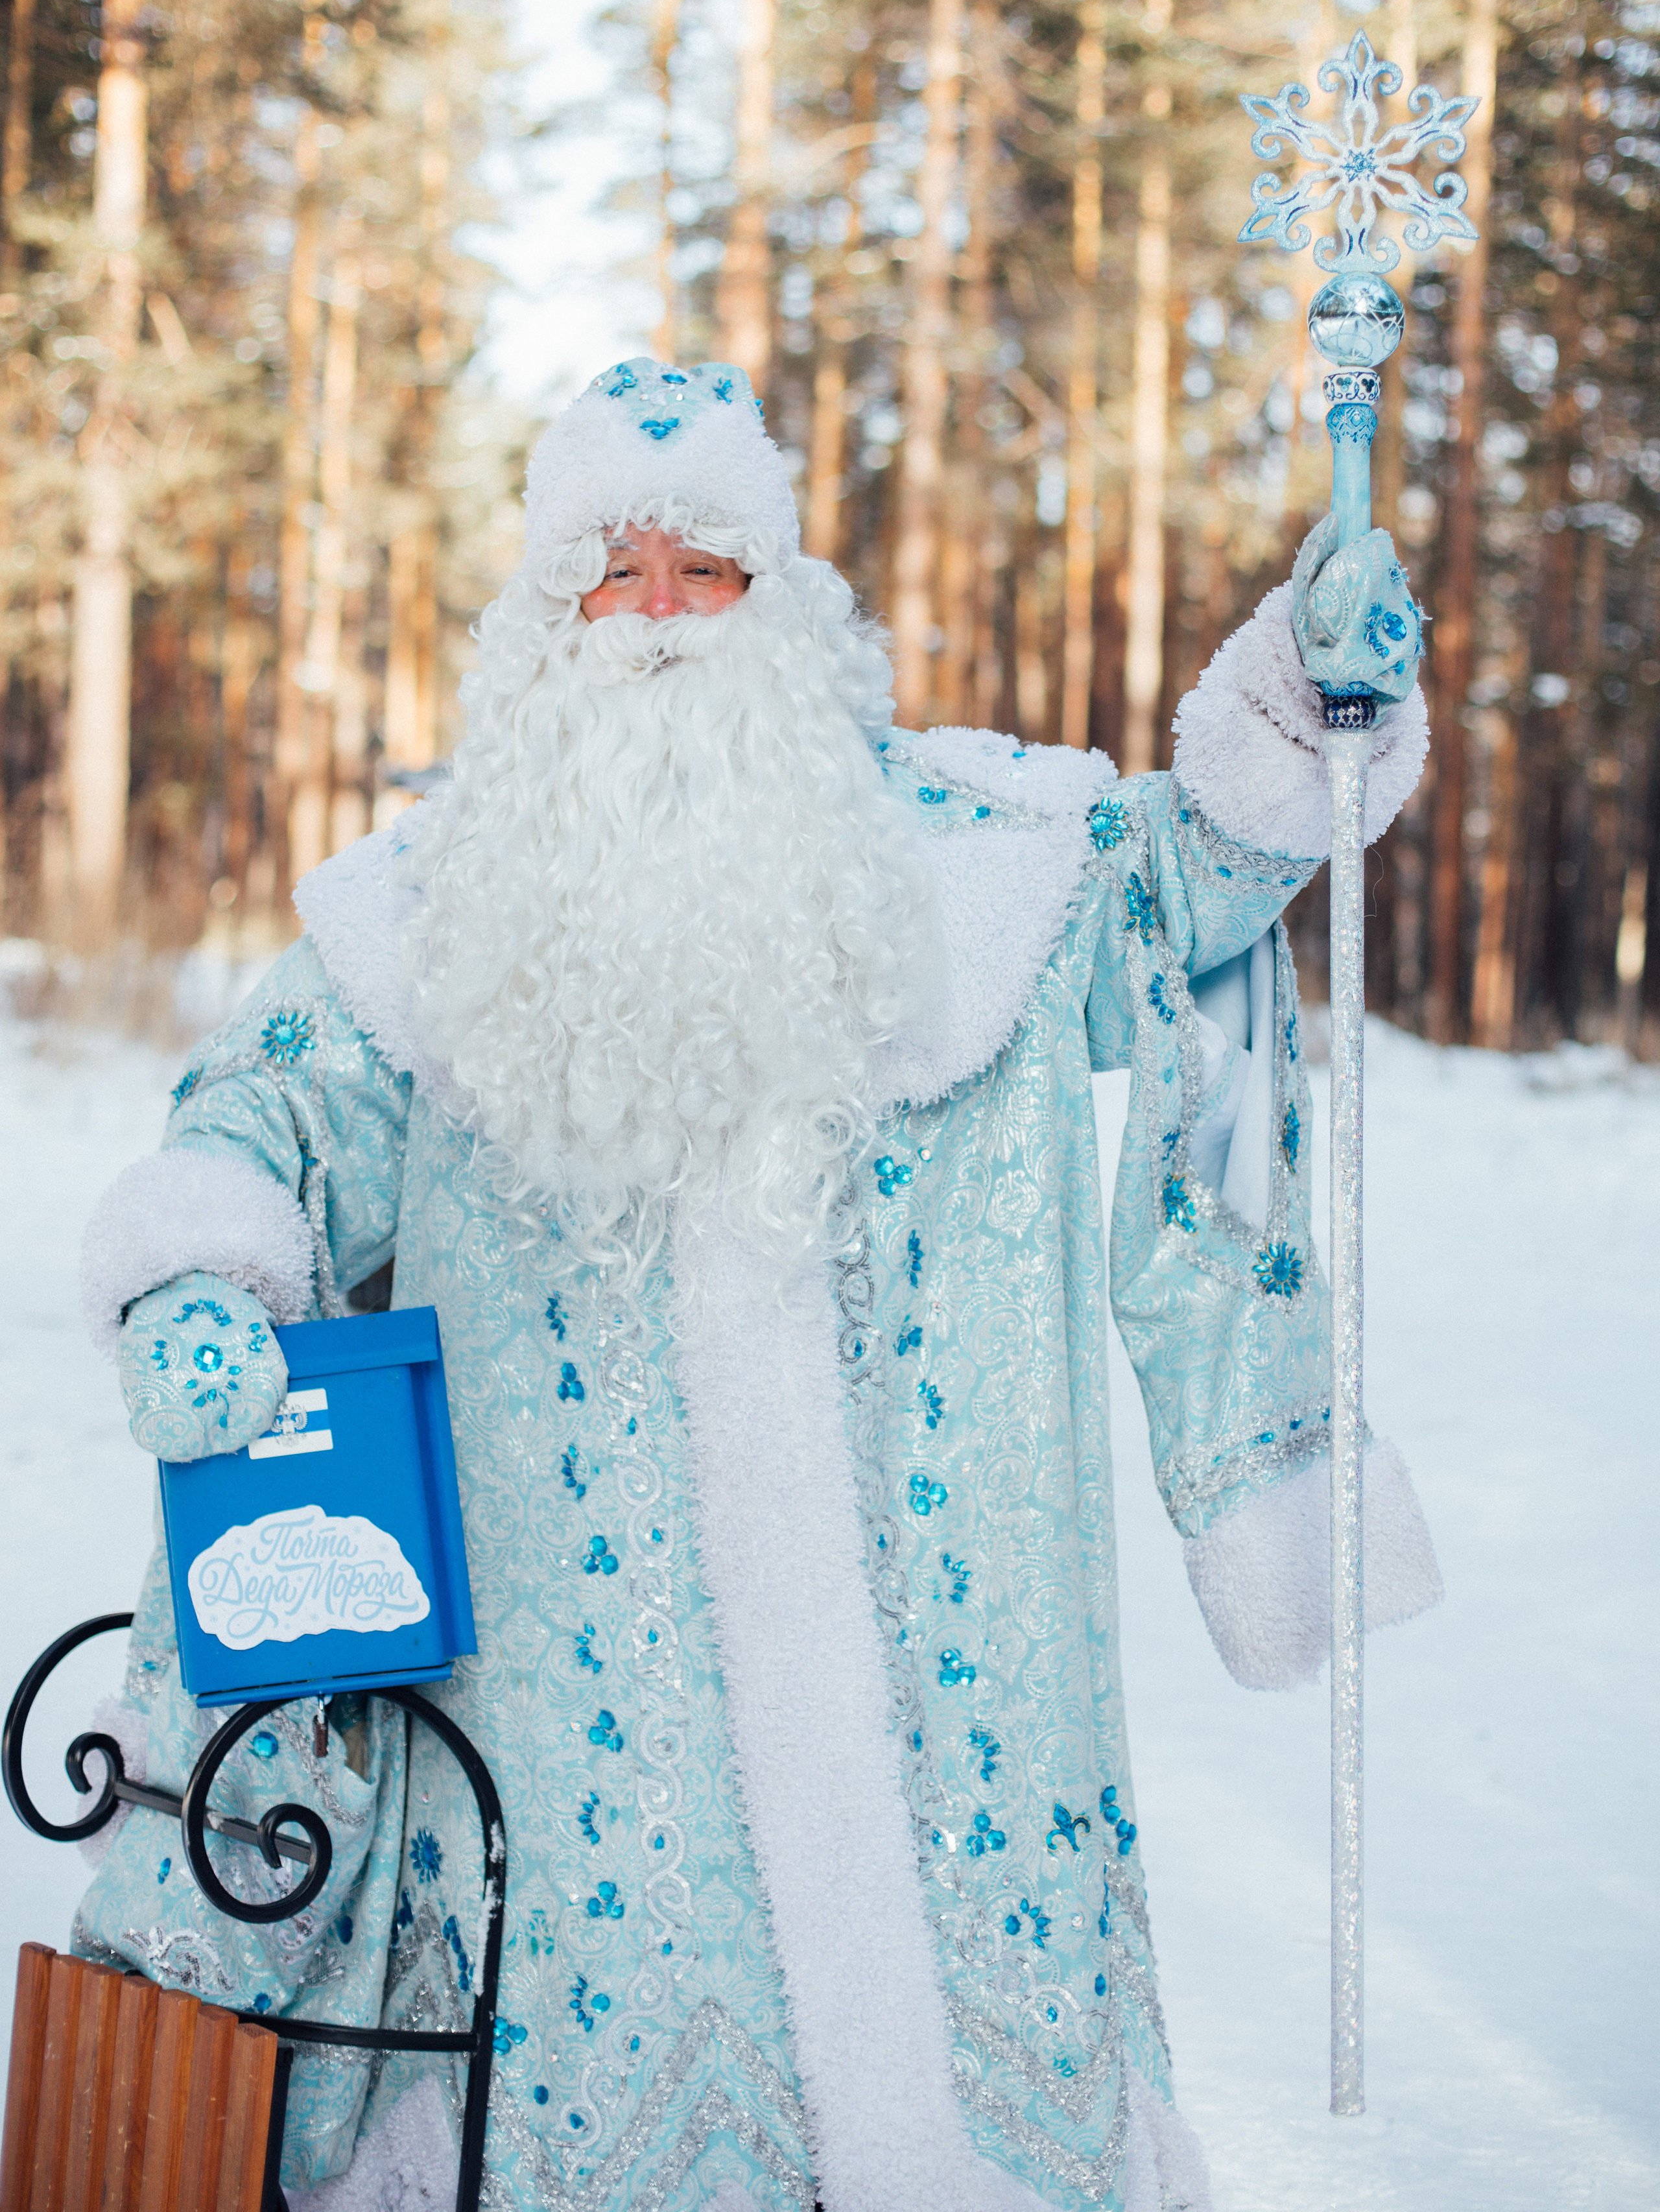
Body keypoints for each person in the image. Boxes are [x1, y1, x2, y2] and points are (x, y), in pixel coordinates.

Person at [75, 359, 1441, 2212]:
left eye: (702, 571)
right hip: (577, 1710)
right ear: (546, 617)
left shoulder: (972, 867)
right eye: (609, 574)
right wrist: (206, 1273)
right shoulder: (427, 916)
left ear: (779, 605)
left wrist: (1317, 687)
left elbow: (1189, 877)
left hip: (942, 1698)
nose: (653, 617)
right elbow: (272, 1110)